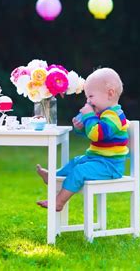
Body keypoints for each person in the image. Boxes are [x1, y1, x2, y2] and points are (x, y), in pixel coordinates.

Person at [36, 67, 129, 211]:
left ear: (110, 93)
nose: (88, 101)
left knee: (80, 171)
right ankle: (53, 177)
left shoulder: (114, 116)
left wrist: (88, 116)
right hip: (96, 159)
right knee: (75, 162)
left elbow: (96, 135)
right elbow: (89, 133)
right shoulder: (101, 114)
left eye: (91, 97)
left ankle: (59, 202)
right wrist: (80, 126)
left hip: (110, 166)